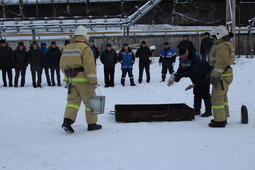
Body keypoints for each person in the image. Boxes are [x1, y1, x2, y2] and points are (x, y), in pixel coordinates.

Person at [60, 26, 102, 133]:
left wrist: (69, 74)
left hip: (71, 79)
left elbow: (61, 65)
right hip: (83, 80)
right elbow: (89, 66)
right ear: (85, 35)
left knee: (72, 102)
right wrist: (93, 81)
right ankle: (92, 124)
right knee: (91, 102)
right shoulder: (85, 48)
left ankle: (67, 121)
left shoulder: (67, 47)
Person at [173, 48, 212, 117]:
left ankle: (208, 110)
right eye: (182, 57)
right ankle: (197, 110)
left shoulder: (196, 57)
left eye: (184, 57)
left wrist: (181, 75)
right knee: (196, 93)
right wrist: (178, 74)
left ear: (187, 54)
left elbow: (193, 71)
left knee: (205, 93)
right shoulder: (182, 58)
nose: (183, 59)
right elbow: (181, 67)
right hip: (195, 78)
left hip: (204, 75)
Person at [208, 25, 235, 128]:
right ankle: (223, 117)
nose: (214, 39)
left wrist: (214, 76)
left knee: (217, 97)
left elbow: (221, 63)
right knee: (222, 96)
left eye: (215, 37)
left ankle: (219, 121)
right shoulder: (226, 44)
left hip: (222, 76)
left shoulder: (223, 46)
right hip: (225, 74)